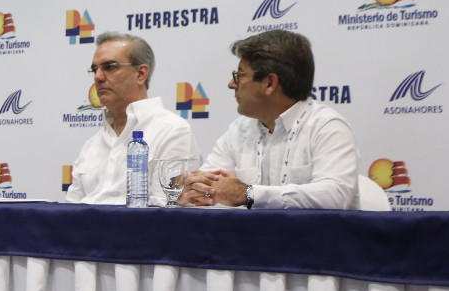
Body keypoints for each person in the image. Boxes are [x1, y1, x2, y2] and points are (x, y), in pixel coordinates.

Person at [181, 30, 358, 209]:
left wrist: (248, 193)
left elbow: (335, 195)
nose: (231, 84)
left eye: (240, 75)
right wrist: (195, 189)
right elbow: (204, 188)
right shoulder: (238, 130)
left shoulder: (327, 126)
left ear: (269, 83)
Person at [65, 32, 199, 205]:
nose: (98, 77)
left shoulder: (173, 131)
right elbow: (71, 208)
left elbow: (166, 210)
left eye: (110, 67)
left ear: (140, 74)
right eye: (95, 69)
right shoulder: (91, 144)